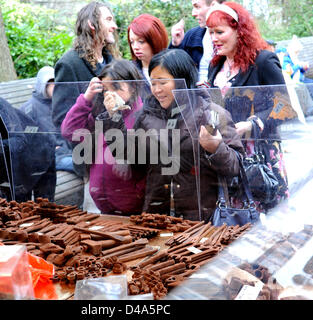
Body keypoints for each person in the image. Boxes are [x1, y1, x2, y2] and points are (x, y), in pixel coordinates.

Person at [101, 49, 244, 222]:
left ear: (183, 80)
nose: (157, 90)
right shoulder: (146, 116)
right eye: (153, 83)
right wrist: (113, 119)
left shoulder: (212, 114)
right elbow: (129, 157)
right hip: (158, 217)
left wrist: (216, 148)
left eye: (163, 82)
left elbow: (236, 167)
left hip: (201, 219)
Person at [206, 2, 289, 210]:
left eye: (219, 32)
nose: (213, 38)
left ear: (239, 31)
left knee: (267, 222)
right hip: (230, 155)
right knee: (236, 219)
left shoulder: (263, 61)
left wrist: (252, 124)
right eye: (210, 33)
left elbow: (285, 107)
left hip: (260, 157)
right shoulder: (215, 66)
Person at [61, 59, 147, 215]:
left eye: (116, 87)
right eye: (106, 89)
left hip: (132, 204)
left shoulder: (142, 116)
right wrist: (87, 97)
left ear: (133, 87)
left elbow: (138, 155)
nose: (110, 94)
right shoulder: (101, 114)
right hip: (102, 203)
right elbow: (69, 130)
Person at [52, 1, 120, 178]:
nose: (115, 26)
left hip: (120, 149)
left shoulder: (111, 61)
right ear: (92, 24)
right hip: (91, 158)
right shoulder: (69, 64)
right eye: (109, 20)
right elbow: (62, 119)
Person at [20, 66, 74, 174]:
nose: (56, 87)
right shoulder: (29, 109)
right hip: (52, 158)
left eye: (58, 83)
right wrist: (50, 148)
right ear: (43, 85)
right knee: (87, 166)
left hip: (72, 152)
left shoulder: (62, 103)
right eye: (52, 83)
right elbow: (27, 139)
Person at [169, 0, 226, 85]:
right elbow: (171, 70)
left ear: (214, 5)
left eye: (197, 7)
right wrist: (176, 44)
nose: (193, 13)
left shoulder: (238, 40)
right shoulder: (192, 36)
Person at [127, 14, 168, 83]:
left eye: (141, 41)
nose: (135, 47)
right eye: (132, 42)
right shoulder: (128, 71)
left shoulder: (172, 67)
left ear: (156, 40)